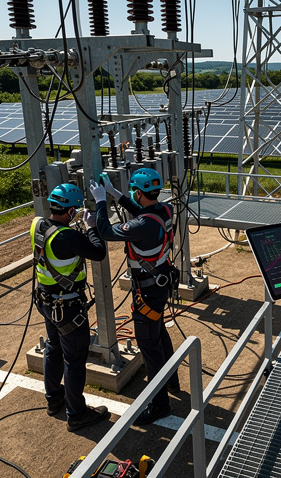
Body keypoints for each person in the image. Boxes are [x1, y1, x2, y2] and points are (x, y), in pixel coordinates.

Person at [89, 168, 180, 427]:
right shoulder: (163, 211)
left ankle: (160, 404)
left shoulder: (141, 225)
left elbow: (106, 231)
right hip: (159, 283)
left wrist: (99, 202)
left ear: (139, 193)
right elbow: (141, 213)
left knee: (149, 345)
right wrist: (114, 193)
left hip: (149, 289)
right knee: (159, 331)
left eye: (133, 193)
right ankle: (171, 379)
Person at [31, 183, 110, 432]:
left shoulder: (37, 224)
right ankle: (76, 413)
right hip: (68, 307)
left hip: (46, 301)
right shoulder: (68, 236)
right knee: (74, 358)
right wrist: (91, 227)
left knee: (54, 348)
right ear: (72, 210)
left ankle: (54, 399)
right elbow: (98, 252)